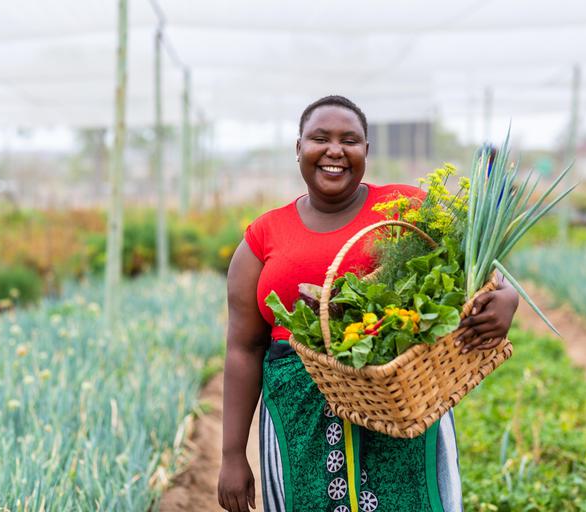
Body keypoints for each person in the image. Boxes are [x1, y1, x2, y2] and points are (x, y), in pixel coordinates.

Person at [218, 95, 519, 512]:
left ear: (366, 151)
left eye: (351, 140)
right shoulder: (264, 236)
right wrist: (233, 455)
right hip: (297, 419)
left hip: (401, 406)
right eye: (319, 138)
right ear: (299, 148)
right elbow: (243, 348)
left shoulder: (409, 208)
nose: (335, 150)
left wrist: (508, 297)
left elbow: (481, 270)